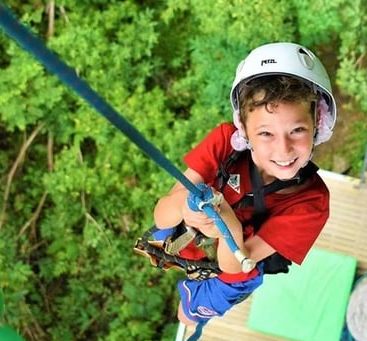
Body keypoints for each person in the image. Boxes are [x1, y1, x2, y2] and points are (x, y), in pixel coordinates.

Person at [144, 42, 337, 326]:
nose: (283, 150)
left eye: (297, 130)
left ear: (318, 125)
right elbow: (161, 214)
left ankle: (192, 296)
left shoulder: (312, 202)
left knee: (187, 317)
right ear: (244, 131)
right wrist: (186, 207)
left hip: (234, 261)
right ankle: (187, 258)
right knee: (163, 233)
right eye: (266, 133)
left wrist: (226, 222)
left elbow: (234, 265)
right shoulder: (225, 143)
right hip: (190, 230)